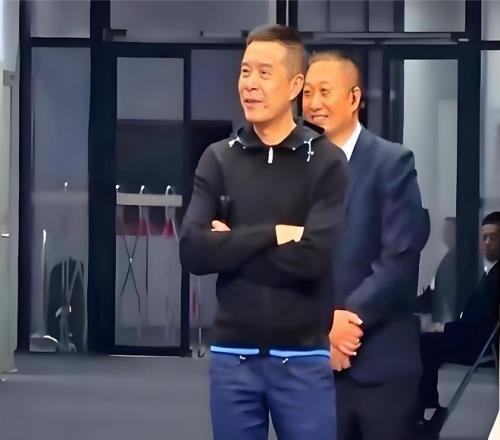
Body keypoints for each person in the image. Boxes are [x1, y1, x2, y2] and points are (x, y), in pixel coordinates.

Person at [180, 26, 348, 440]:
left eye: (264, 73)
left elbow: (313, 259)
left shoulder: (325, 162)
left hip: (303, 358)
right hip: (232, 357)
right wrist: (275, 233)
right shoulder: (218, 158)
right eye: (245, 71)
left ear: (294, 85)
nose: (250, 84)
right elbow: (193, 251)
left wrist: (230, 243)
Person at [303, 50, 430, 440]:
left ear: (354, 98)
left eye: (325, 91)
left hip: (381, 366)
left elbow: (399, 258)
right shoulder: (295, 167)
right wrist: (323, 326)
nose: (314, 103)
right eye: (307, 93)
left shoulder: (392, 162)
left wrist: (343, 325)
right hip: (313, 367)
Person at [418, 211, 500, 438]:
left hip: (477, 341)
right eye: (484, 237)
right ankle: (425, 409)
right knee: (425, 341)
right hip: (472, 334)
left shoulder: (496, 276)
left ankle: (426, 410)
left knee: (425, 344)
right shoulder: (492, 273)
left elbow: (481, 321)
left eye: (493, 238)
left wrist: (445, 328)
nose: (486, 243)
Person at [417, 217, 459, 328]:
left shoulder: (457, 258)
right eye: (444, 231)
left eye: (448, 231)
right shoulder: (448, 257)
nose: (445, 235)